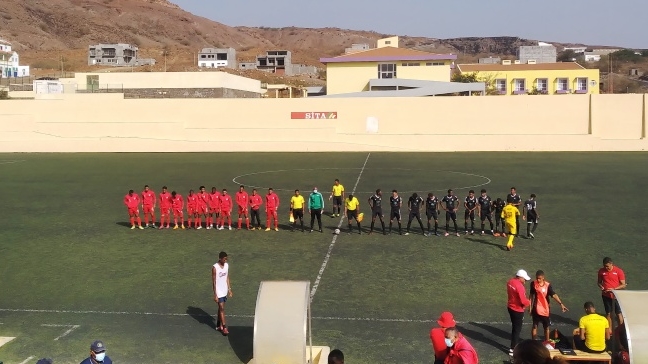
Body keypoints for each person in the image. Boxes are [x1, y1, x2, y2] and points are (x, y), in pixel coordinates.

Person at [529, 270, 568, 341]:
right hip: (536, 309)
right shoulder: (533, 284)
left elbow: (554, 295)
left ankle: (547, 342)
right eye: (537, 278)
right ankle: (533, 342)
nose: (538, 280)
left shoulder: (547, 285)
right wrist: (530, 307)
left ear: (543, 277)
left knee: (546, 327)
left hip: (545, 310)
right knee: (534, 326)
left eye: (540, 278)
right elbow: (531, 295)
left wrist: (561, 304)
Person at [507, 269, 531, 357]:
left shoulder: (510, 282)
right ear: (520, 277)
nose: (525, 281)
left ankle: (513, 347)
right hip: (517, 310)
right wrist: (529, 302)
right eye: (524, 279)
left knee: (515, 327)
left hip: (510, 307)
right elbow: (523, 301)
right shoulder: (520, 287)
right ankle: (513, 349)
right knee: (517, 330)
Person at [598, 257, 626, 327]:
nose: (606, 268)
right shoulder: (601, 271)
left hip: (616, 296)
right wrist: (601, 286)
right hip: (605, 296)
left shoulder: (618, 271)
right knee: (608, 313)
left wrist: (613, 289)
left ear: (611, 264)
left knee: (618, 313)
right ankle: (609, 329)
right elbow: (599, 282)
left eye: (607, 266)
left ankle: (621, 329)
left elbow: (623, 285)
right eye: (604, 266)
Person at [212, 251, 233, 336]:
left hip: (224, 291)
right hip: (218, 291)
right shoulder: (215, 268)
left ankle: (218, 324)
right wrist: (215, 294)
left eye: (226, 259)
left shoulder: (226, 266)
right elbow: (214, 281)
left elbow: (227, 277)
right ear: (220, 258)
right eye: (224, 259)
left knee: (221, 307)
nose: (226, 260)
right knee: (221, 308)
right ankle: (224, 327)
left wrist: (229, 289)